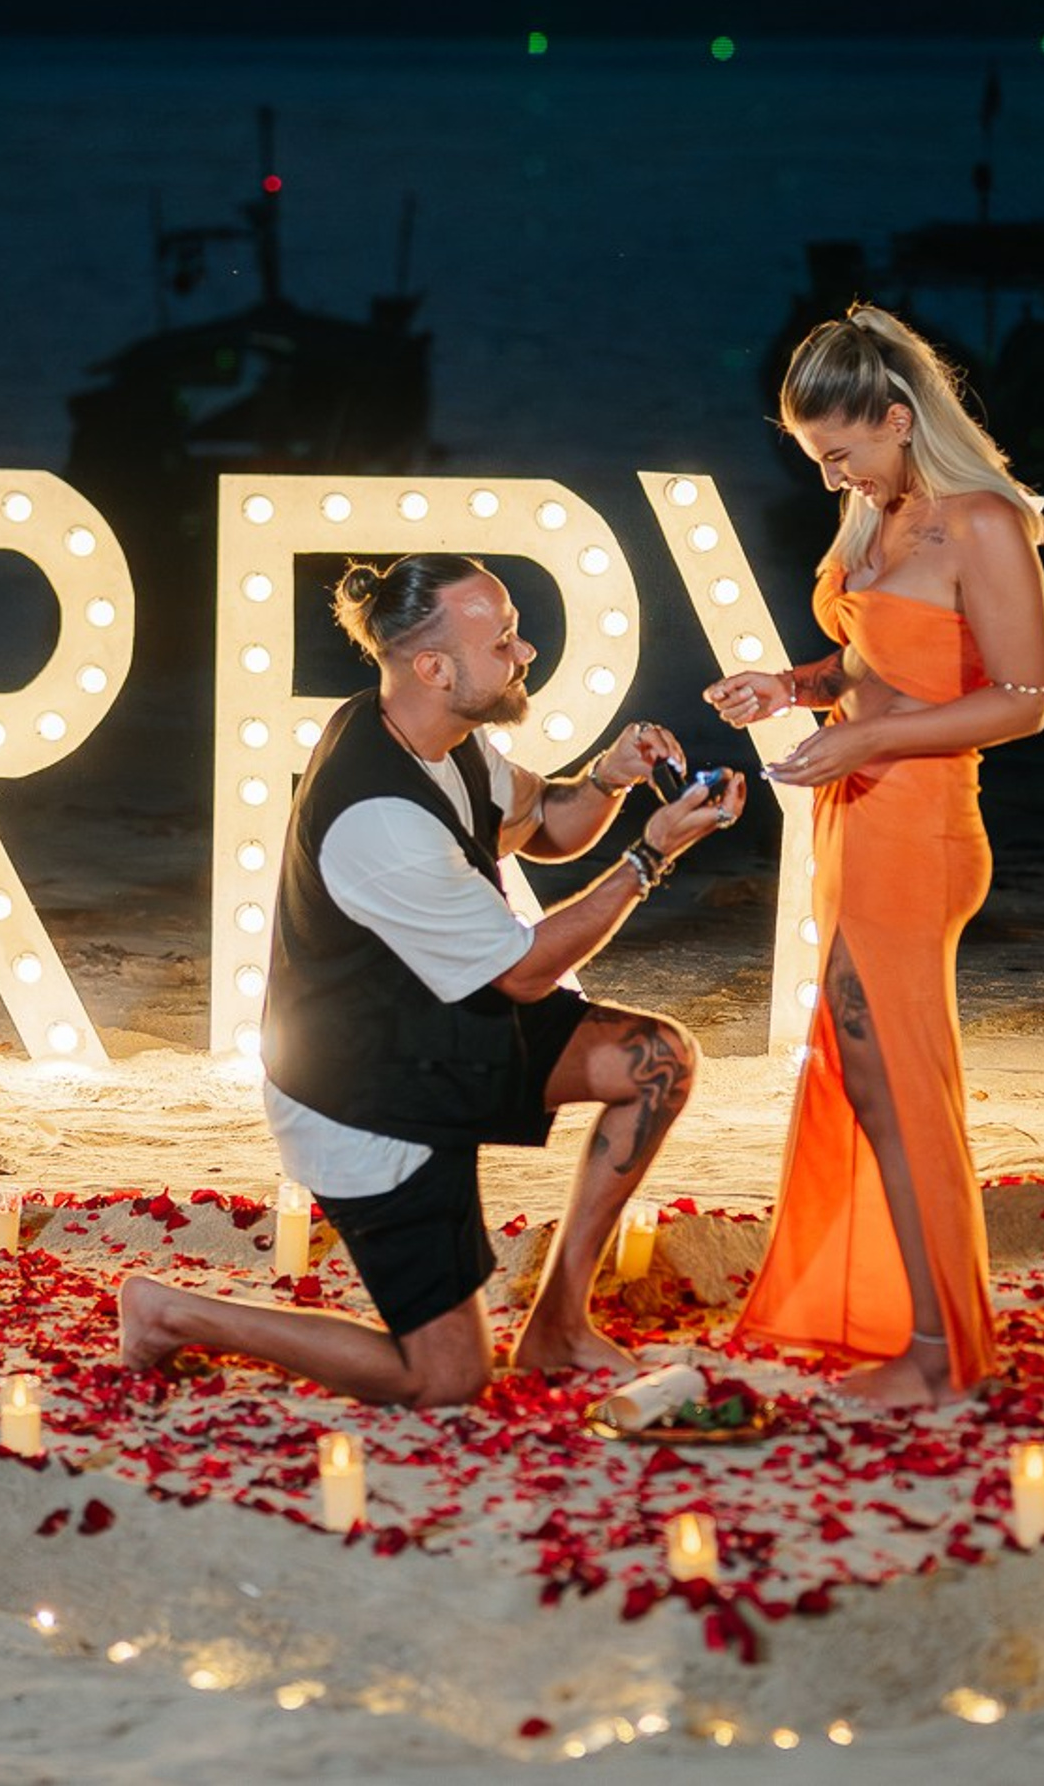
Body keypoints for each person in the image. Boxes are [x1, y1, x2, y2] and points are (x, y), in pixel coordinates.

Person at [117, 553, 742, 1406]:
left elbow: (544, 825)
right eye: (505, 641)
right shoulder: (379, 818)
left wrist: (610, 776)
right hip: (362, 1094)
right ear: (435, 669)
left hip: (442, 1027)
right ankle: (168, 1313)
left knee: (656, 1061)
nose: (526, 653)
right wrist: (651, 856)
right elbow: (524, 974)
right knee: (445, 1379)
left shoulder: (443, 736)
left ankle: (558, 1330)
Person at [705, 304, 1044, 1406]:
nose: (831, 477)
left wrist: (865, 739)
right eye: (817, 458)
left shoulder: (981, 522)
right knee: (864, 1069)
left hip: (921, 826)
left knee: (898, 1080)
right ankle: (917, 1326)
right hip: (854, 815)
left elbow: (1023, 700)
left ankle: (942, 1352)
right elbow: (867, 662)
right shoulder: (876, 513)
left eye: (840, 452)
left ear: (899, 420)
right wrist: (791, 687)